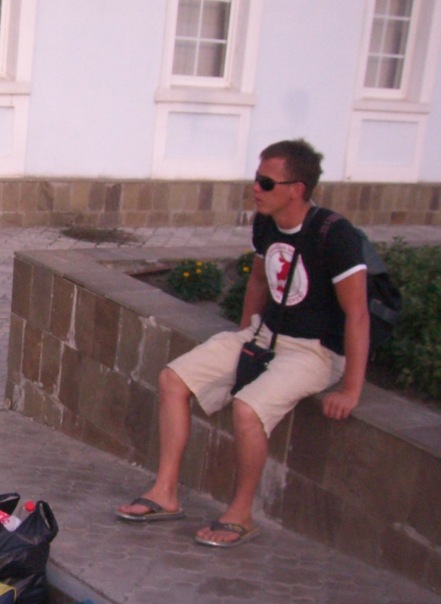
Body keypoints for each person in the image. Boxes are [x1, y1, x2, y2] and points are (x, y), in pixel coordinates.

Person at [117, 139, 370, 547]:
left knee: (247, 409)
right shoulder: (266, 222)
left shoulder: (335, 235)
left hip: (315, 350)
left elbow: (357, 314)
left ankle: (240, 513)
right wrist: (243, 337)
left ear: (297, 189)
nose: (256, 188)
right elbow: (257, 281)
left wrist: (351, 390)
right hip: (264, 334)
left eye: (266, 182)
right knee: (172, 379)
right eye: (256, 178)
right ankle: (165, 492)